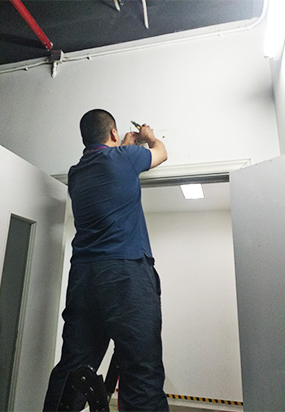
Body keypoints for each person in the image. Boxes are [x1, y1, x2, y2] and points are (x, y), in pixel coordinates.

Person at [43, 109, 169, 412]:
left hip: (83, 279)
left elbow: (109, 161)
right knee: (141, 371)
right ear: (113, 133)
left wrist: (123, 145)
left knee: (72, 368)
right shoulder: (126, 158)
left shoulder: (75, 174)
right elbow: (161, 153)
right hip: (124, 275)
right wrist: (149, 137)